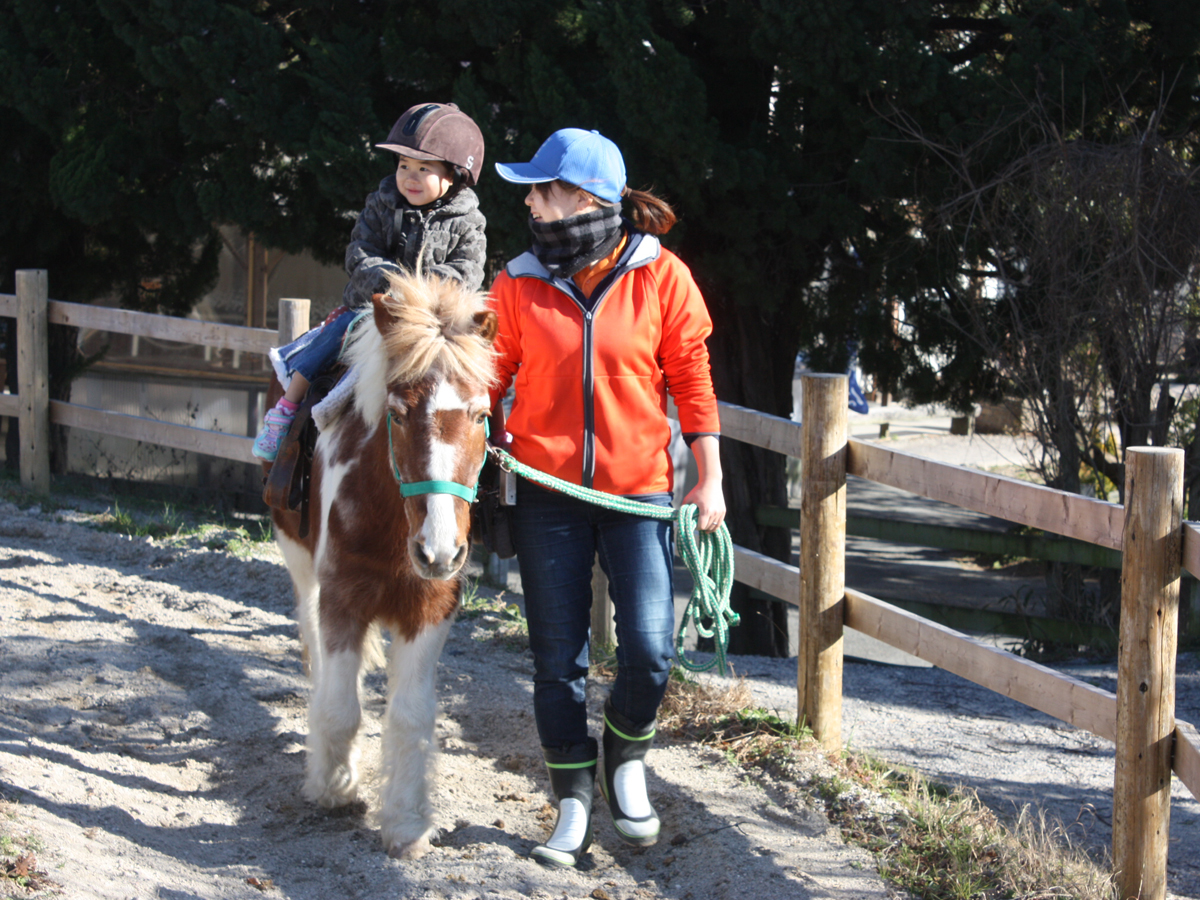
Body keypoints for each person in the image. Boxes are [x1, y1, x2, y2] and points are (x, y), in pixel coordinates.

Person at [488, 128, 726, 868]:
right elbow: (489, 376)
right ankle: (570, 802)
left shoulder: (663, 278)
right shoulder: (518, 281)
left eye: (541, 188)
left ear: (587, 200)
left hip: (639, 494)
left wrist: (710, 475)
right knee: (556, 660)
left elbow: (691, 380)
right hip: (545, 494)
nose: (529, 201)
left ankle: (625, 758)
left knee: (651, 651)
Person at [253, 102, 487, 460]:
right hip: (374, 305)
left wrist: (423, 296)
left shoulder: (468, 221)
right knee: (333, 337)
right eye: (403, 165)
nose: (409, 176)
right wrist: (391, 288)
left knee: (475, 371)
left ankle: (490, 435)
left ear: (454, 175)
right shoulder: (381, 204)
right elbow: (361, 252)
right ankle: (286, 407)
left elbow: (467, 271)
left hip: (435, 322)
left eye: (423, 168)